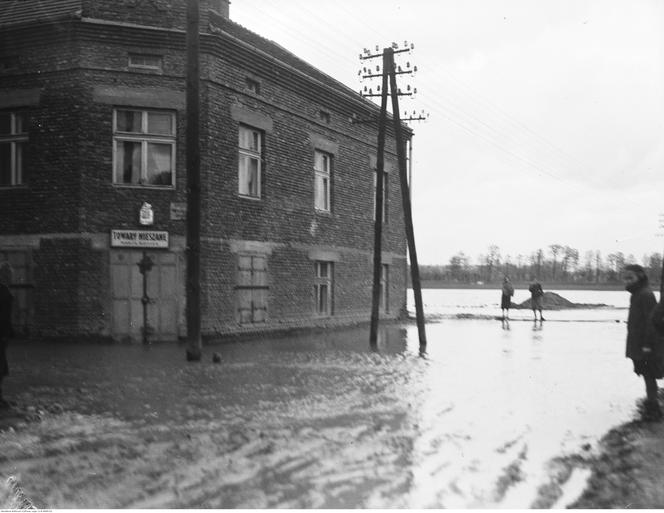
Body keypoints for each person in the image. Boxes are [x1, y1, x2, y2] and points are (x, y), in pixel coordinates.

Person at [623, 264, 664, 421]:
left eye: (630, 278)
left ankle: (653, 407)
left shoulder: (646, 295)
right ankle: (651, 403)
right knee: (647, 374)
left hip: (646, 345)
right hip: (637, 342)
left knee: (650, 374)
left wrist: (647, 345)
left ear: (640, 277)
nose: (627, 281)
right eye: (625, 278)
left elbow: (651, 322)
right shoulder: (637, 294)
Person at [0, 262, 14, 408]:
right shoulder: (4, 292)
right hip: (1, 335)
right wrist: (5, 334)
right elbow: (4, 317)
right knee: (1, 366)